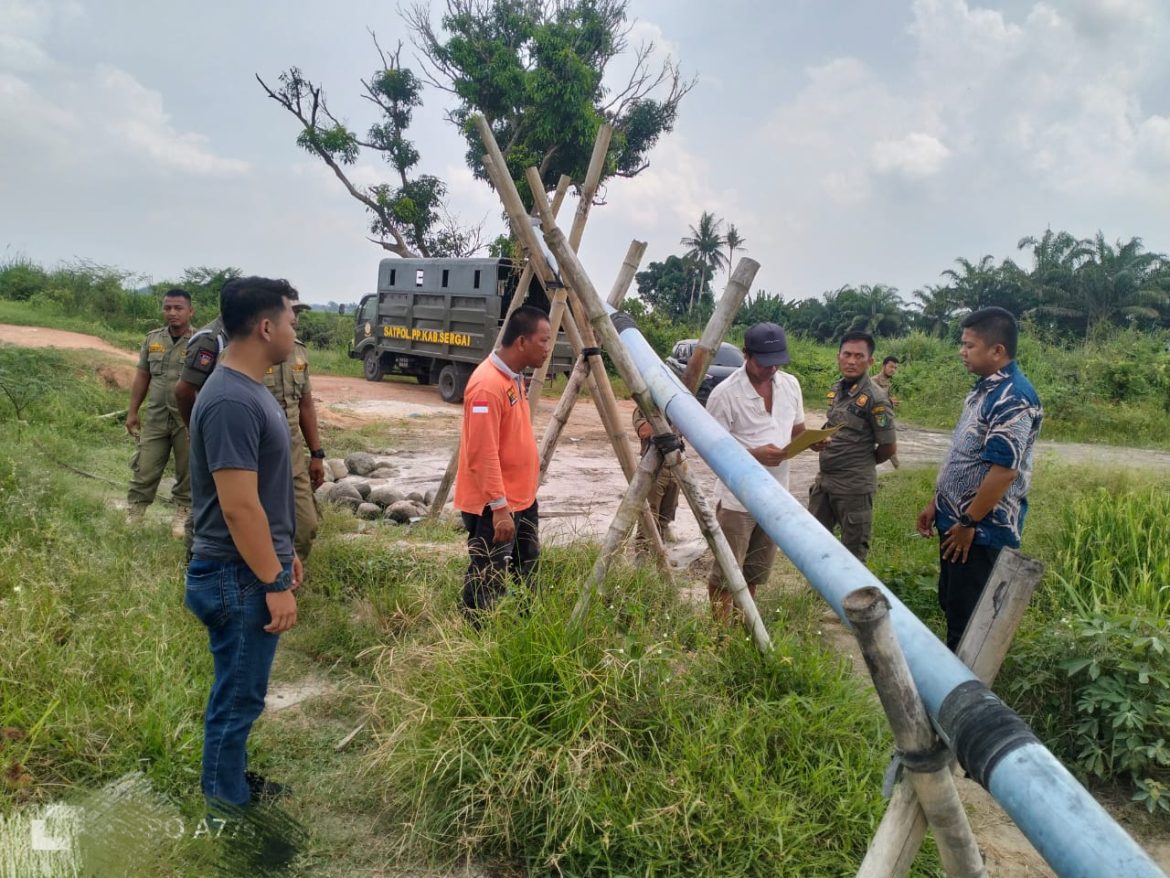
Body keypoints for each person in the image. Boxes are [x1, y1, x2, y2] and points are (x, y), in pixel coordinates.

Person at [185, 276, 303, 811]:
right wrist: (272, 580)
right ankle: (223, 806)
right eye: (291, 320)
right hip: (236, 577)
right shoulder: (232, 398)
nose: (295, 331)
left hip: (247, 569)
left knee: (241, 693)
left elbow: (264, 493)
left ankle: (229, 780)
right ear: (265, 326)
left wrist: (286, 550)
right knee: (237, 698)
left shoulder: (251, 389)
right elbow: (237, 506)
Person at [916, 307, 1042, 651]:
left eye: (969, 345)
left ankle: (962, 695)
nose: (962, 351)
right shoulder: (984, 390)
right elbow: (965, 456)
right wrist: (936, 503)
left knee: (970, 619)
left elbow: (1004, 471)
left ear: (997, 351)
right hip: (958, 522)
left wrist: (970, 521)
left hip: (980, 532)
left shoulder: (1013, 398)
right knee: (952, 602)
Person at [176, 301, 325, 561]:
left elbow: (306, 405)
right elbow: (188, 391)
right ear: (267, 322)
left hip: (290, 454)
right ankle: (203, 565)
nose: (296, 319)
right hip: (246, 449)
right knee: (228, 515)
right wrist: (196, 432)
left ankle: (284, 577)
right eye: (291, 313)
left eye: (298, 314)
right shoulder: (237, 356)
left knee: (304, 525)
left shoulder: (299, 352)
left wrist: (317, 452)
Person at [453, 305, 551, 620]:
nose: (548, 350)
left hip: (521, 498)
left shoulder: (513, 378)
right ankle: (475, 639)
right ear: (521, 342)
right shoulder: (486, 386)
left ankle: (522, 633)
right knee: (487, 576)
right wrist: (498, 507)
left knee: (527, 569)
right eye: (543, 341)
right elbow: (482, 454)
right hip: (495, 507)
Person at [705, 322, 805, 619]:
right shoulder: (724, 395)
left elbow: (796, 430)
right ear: (746, 354)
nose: (772, 368)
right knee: (726, 574)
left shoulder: (791, 385)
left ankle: (744, 628)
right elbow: (710, 451)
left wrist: (812, 442)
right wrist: (753, 455)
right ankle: (719, 638)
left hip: (775, 497)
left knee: (754, 572)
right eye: (765, 362)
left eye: (777, 362)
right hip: (738, 501)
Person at [809, 331, 897, 563]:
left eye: (859, 356)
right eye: (847, 354)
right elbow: (834, 425)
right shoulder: (838, 389)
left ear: (870, 361)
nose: (851, 361)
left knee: (853, 553)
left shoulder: (875, 398)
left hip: (854, 488)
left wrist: (858, 462)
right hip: (825, 481)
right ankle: (821, 590)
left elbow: (888, 448)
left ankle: (847, 597)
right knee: (814, 541)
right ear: (838, 356)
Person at [126, 288, 194, 536]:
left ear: (190, 311)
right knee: (144, 466)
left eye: (178, 308)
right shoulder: (153, 339)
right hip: (155, 416)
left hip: (186, 419)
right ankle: (135, 512)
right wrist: (133, 411)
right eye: (167, 308)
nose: (172, 313)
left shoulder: (200, 342)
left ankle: (183, 514)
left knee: (188, 469)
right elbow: (142, 375)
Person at [632, 405, 680, 542]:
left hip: (675, 468)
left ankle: (662, 556)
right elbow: (644, 431)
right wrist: (667, 417)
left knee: (666, 519)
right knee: (648, 519)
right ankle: (643, 556)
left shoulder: (676, 406)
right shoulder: (642, 408)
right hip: (654, 469)